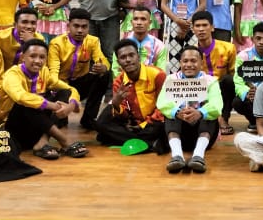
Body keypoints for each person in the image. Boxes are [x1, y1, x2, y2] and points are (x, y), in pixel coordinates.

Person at [0, 38, 85, 159]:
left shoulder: (44, 72)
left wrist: (70, 106)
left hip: (36, 129)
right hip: (12, 132)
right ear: (23, 57)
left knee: (63, 93)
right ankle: (64, 140)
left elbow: (70, 89)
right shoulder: (12, 74)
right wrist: (52, 106)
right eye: (32, 56)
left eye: (42, 57)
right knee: (28, 102)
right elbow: (20, 96)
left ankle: (42, 142)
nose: (37, 61)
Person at [157, 45, 223, 173]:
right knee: (172, 114)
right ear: (180, 62)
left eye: (193, 61)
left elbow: (217, 105)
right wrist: (177, 112)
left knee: (209, 114)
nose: (189, 65)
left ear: (201, 63)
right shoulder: (171, 79)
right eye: (185, 61)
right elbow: (162, 102)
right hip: (180, 133)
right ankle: (177, 156)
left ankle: (198, 156)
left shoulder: (211, 81)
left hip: (203, 134)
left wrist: (200, 113)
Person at [95, 39, 168, 153]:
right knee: (102, 123)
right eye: (123, 57)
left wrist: (143, 125)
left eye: (131, 55)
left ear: (138, 57)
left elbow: (163, 107)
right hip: (134, 124)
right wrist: (116, 104)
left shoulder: (158, 75)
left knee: (165, 124)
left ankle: (133, 139)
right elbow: (124, 115)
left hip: (153, 123)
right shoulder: (119, 82)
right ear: (119, 62)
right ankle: (150, 143)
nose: (128, 60)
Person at [48, 8, 111, 130]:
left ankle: (89, 118)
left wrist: (103, 67)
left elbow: (103, 60)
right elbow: (53, 75)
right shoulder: (56, 44)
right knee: (58, 123)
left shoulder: (93, 41)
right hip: (61, 86)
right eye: (76, 26)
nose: (80, 30)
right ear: (68, 26)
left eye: (84, 27)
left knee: (104, 75)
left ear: (88, 27)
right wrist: (69, 91)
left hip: (81, 84)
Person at [0, 7, 45, 105]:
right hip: (1, 80)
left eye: (33, 23)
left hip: (25, 81)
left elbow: (40, 67)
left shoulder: (39, 39)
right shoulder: (1, 36)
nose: (29, 26)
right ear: (15, 24)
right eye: (25, 22)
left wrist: (31, 43)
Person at [188, 11, 238, 135]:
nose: (201, 29)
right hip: (200, 89)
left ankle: (223, 118)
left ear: (212, 27)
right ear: (193, 29)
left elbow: (234, 75)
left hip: (222, 88)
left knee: (229, 80)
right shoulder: (190, 51)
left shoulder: (228, 48)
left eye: (205, 25)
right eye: (197, 26)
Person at [231, 22, 263, 129]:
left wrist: (262, 92)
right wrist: (247, 93)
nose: (261, 42)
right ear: (252, 39)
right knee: (237, 102)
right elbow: (238, 81)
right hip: (251, 96)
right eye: (258, 38)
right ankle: (255, 121)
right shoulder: (243, 56)